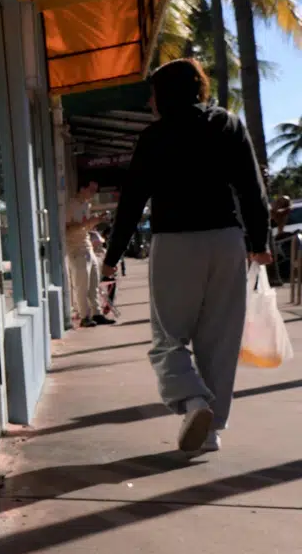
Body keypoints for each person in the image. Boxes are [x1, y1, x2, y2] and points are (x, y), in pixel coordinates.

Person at [101, 58, 272, 455]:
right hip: (227, 240)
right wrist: (259, 241)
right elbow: (252, 186)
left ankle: (194, 404)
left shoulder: (154, 137)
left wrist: (112, 256)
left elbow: (131, 202)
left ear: (163, 94)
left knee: (168, 338)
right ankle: (211, 431)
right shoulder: (227, 124)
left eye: (152, 93)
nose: (149, 102)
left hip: (175, 244)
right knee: (219, 341)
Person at [64, 181, 112, 326]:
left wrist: (96, 221)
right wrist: (88, 223)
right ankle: (84, 316)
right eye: (90, 190)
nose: (92, 194)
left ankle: (97, 313)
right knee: (81, 284)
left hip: (87, 246)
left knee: (94, 282)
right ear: (82, 189)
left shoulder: (86, 205)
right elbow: (68, 229)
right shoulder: (71, 206)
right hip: (76, 249)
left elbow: (86, 226)